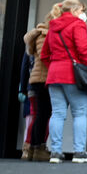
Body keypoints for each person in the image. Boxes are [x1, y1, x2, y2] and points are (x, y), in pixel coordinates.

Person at [40, 0, 87, 163]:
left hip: (54, 74)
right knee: (79, 113)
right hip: (72, 75)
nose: (82, 14)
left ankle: (55, 152)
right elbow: (83, 48)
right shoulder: (78, 25)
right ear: (74, 10)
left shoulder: (53, 26)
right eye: (81, 11)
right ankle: (79, 152)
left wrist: (55, 65)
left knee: (57, 114)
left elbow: (44, 54)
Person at [24, 17, 52, 162]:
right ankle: (36, 148)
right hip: (42, 78)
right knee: (42, 115)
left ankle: (34, 149)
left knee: (41, 115)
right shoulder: (44, 35)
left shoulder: (41, 34)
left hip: (39, 79)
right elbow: (44, 56)